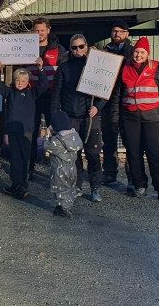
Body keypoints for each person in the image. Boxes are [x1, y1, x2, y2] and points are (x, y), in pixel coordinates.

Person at [111, 37, 159, 202]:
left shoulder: (156, 69)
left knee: (154, 153)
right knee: (133, 153)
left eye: (142, 52)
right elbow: (117, 97)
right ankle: (139, 185)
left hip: (152, 118)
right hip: (130, 118)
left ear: (147, 54)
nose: (138, 55)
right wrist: (115, 119)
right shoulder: (125, 69)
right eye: (136, 52)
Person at [51, 34, 107, 202]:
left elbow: (105, 91)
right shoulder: (64, 67)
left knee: (93, 154)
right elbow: (57, 93)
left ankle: (95, 187)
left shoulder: (94, 67)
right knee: (73, 155)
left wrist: (97, 107)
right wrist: (55, 115)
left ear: (86, 46)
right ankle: (76, 185)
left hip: (90, 117)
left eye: (81, 46)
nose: (78, 50)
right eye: (74, 47)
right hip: (70, 117)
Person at [0, 63, 48, 199]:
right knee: (15, 158)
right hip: (13, 130)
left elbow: (44, 85)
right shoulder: (10, 92)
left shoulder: (32, 93)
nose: (20, 83)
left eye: (23, 81)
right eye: (17, 80)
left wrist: (40, 69)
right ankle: (15, 184)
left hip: (26, 131)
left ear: (28, 81)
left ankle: (22, 186)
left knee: (25, 158)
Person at [23, 17, 67, 174]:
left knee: (56, 133)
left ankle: (58, 170)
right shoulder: (25, 48)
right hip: (32, 96)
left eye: (42, 30)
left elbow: (64, 74)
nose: (39, 33)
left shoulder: (59, 50)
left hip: (51, 97)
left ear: (48, 30)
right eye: (36, 30)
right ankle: (29, 169)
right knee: (31, 133)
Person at [101, 21, 134, 184]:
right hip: (107, 101)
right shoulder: (105, 51)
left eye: (121, 31)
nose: (117, 34)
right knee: (109, 140)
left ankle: (132, 177)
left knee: (130, 141)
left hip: (127, 102)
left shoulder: (133, 52)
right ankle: (109, 172)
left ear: (127, 33)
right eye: (114, 31)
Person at [45, 111, 84, 218]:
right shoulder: (74, 136)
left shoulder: (57, 141)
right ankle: (62, 207)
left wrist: (48, 133)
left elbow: (46, 145)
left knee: (61, 190)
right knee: (70, 188)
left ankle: (65, 209)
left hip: (60, 170)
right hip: (72, 169)